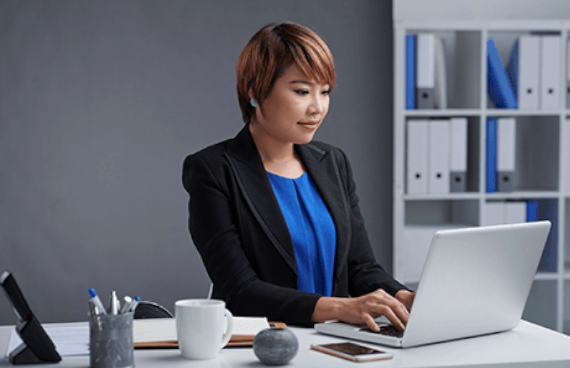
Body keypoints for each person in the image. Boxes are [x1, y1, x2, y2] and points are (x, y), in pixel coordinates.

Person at [182, 22, 415, 332]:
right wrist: (342, 307)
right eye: (302, 91)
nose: (317, 108)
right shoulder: (213, 171)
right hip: (263, 346)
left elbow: (360, 267)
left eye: (325, 92)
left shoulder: (332, 162)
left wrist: (403, 297)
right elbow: (240, 290)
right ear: (255, 91)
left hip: (334, 342)